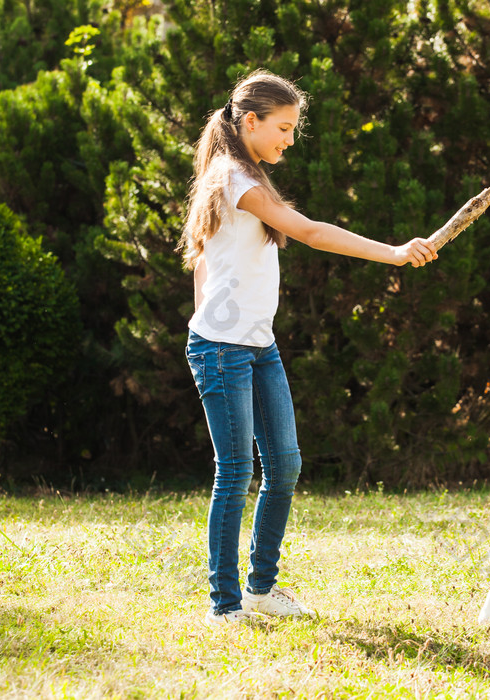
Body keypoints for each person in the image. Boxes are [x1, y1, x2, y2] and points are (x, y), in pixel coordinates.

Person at [177, 70, 437, 626]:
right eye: (285, 127)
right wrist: (392, 253)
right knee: (235, 471)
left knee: (286, 465)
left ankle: (261, 589)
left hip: (258, 345)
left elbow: (204, 260)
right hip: (222, 350)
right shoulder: (230, 176)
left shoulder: (248, 173)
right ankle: (224, 606)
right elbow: (312, 231)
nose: (290, 140)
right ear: (250, 121)